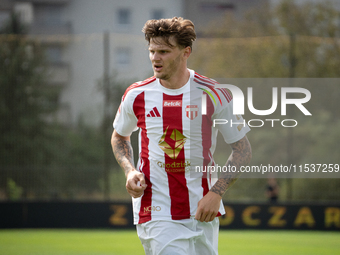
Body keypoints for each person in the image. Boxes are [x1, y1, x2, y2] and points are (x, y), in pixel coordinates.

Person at [111, 17, 252, 255]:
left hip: (203, 210)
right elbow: (119, 136)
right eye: (152, 51)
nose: (156, 58)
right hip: (156, 209)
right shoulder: (136, 95)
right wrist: (129, 170)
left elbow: (243, 150)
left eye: (164, 51)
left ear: (186, 52)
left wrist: (216, 193)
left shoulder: (214, 94)